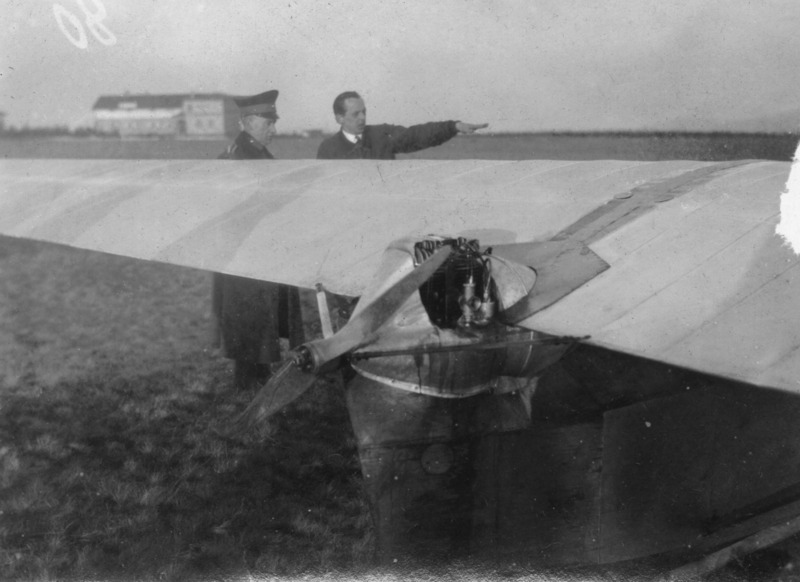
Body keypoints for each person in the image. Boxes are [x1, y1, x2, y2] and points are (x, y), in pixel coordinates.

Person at [213, 90, 304, 389]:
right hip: (245, 253)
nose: (274, 130)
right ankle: (248, 379)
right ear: (248, 122)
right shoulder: (237, 157)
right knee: (249, 314)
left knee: (259, 315)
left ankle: (256, 373)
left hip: (260, 251)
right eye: (269, 123)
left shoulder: (257, 154)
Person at [316, 91, 488, 160]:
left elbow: (417, 135)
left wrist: (453, 126)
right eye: (355, 114)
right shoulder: (328, 149)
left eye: (364, 112)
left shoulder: (381, 135)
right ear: (339, 118)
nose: (362, 118)